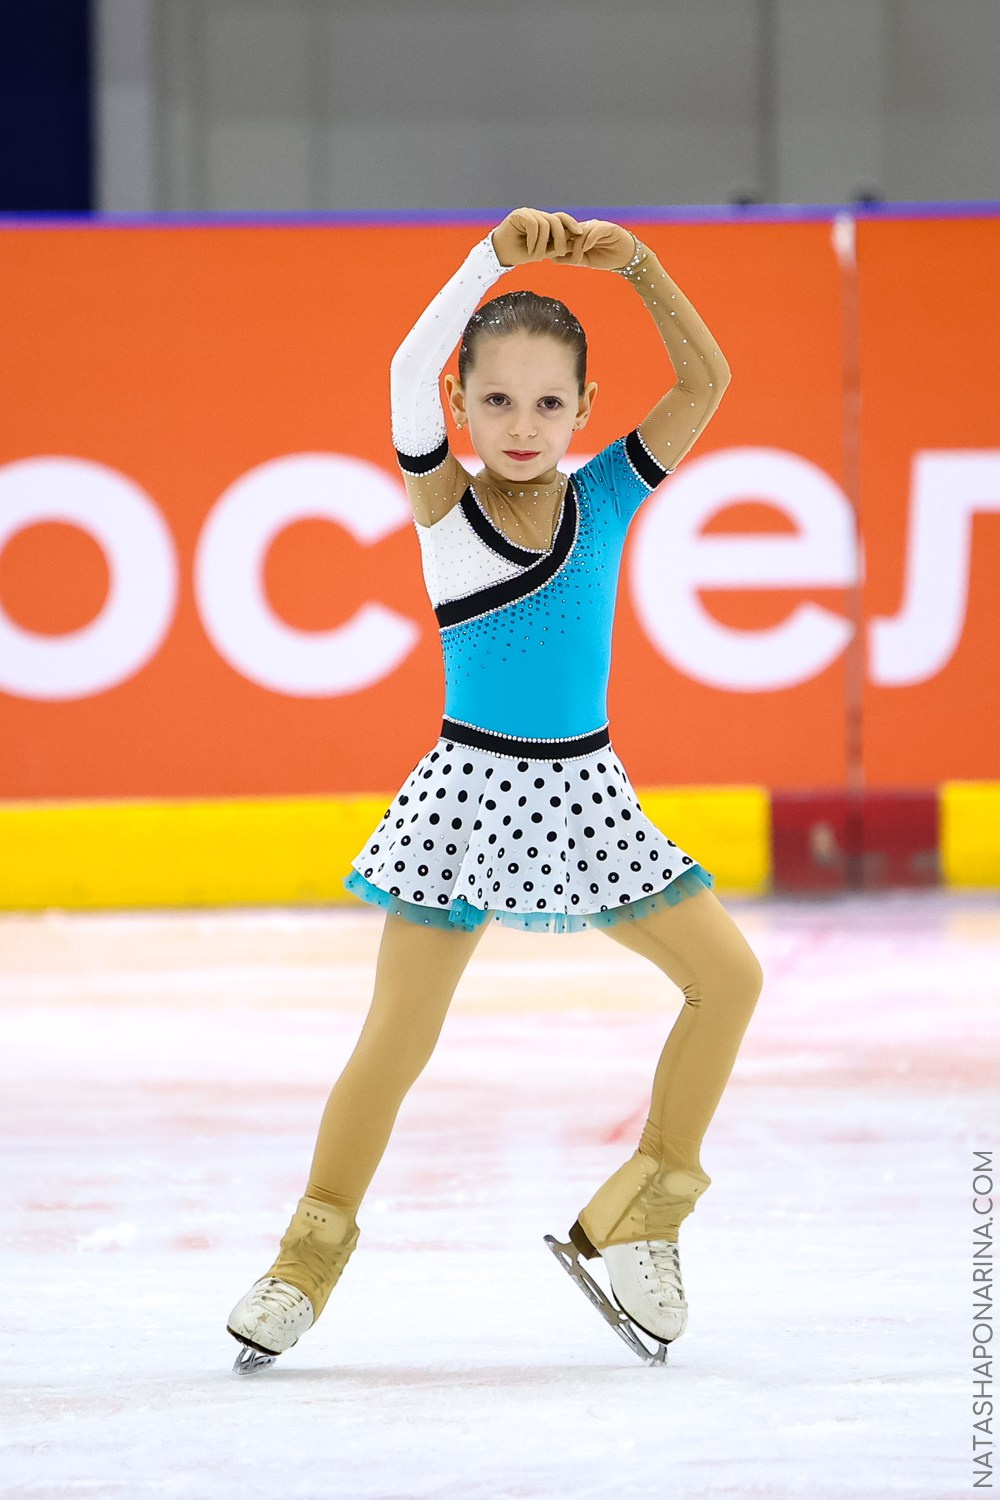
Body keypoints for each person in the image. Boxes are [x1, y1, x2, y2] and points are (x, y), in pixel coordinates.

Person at [227, 207, 763, 1369]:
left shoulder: (611, 494)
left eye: (550, 402)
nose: (523, 425)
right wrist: (491, 260)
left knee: (728, 979)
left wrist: (641, 266)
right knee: (396, 1039)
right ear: (462, 409)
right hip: (465, 797)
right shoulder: (445, 511)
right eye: (498, 400)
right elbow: (400, 368)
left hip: (588, 798)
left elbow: (706, 379)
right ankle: (299, 1267)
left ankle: (642, 1214)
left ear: (581, 408)